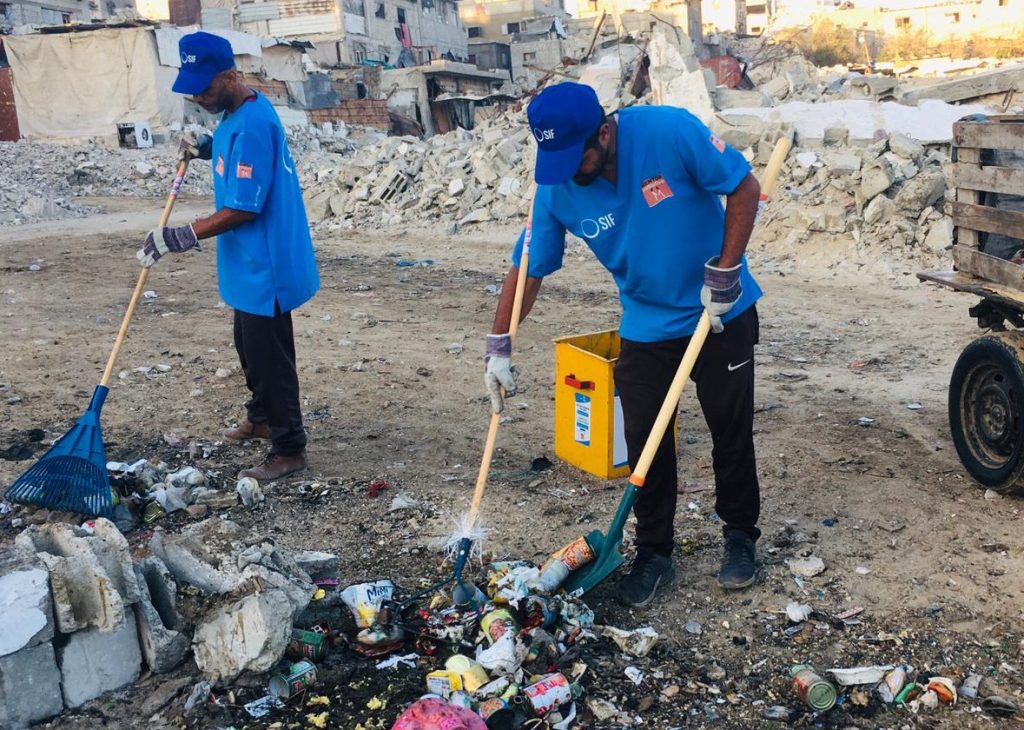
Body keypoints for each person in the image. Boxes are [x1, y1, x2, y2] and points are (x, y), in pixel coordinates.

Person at [484, 82, 763, 607]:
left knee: (730, 426)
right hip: (647, 323)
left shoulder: (669, 130)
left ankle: (741, 536)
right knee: (644, 440)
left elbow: (743, 187)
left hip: (721, 309)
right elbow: (527, 269)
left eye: (576, 157)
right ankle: (655, 552)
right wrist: (500, 343)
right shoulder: (556, 184)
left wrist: (726, 272)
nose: (568, 172)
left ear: (605, 134)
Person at [137, 32, 319, 481]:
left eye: (206, 87)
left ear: (231, 75)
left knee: (269, 356)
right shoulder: (237, 111)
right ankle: (260, 417)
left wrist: (183, 235)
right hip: (246, 262)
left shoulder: (255, 122)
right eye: (193, 89)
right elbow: (233, 148)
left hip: (266, 264)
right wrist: (206, 149)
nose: (199, 97)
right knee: (247, 344)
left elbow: (243, 206)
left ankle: (289, 446)